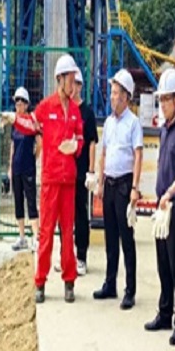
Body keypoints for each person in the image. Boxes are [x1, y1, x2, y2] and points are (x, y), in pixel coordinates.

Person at [28, 54, 84, 304]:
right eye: (70, 79)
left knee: (68, 233)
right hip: (51, 181)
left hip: (68, 181)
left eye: (74, 80)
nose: (73, 85)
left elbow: (80, 137)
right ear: (60, 79)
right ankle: (40, 281)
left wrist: (76, 146)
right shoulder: (46, 107)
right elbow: (31, 123)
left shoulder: (75, 111)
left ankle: (69, 281)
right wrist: (16, 119)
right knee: (47, 232)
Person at [145, 68, 175, 346]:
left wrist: (170, 192)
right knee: (162, 263)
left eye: (166, 99)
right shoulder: (164, 130)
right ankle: (164, 313)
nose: (162, 104)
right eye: (160, 99)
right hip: (162, 205)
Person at [93, 69, 143, 310]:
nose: (112, 97)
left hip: (124, 185)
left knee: (127, 239)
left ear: (125, 96)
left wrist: (135, 188)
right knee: (110, 237)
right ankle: (110, 283)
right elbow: (103, 153)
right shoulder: (109, 123)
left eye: (115, 93)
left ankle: (130, 290)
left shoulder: (133, 123)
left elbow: (138, 155)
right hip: (110, 185)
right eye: (111, 93)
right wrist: (100, 182)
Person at [72, 69, 98, 276]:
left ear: (80, 86)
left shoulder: (87, 113)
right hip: (64, 171)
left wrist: (91, 171)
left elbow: (91, 143)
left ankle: (81, 256)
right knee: (65, 216)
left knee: (81, 214)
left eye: (75, 83)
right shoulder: (64, 109)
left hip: (80, 172)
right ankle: (67, 256)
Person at [8, 87, 40, 252]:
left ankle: (36, 237)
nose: (19, 105)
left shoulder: (31, 121)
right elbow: (12, 145)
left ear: (27, 104)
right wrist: (10, 167)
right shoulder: (15, 123)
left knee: (31, 201)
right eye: (17, 102)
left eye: (22, 102)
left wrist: (34, 157)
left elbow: (39, 142)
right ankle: (22, 237)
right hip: (17, 168)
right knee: (18, 202)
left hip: (28, 168)